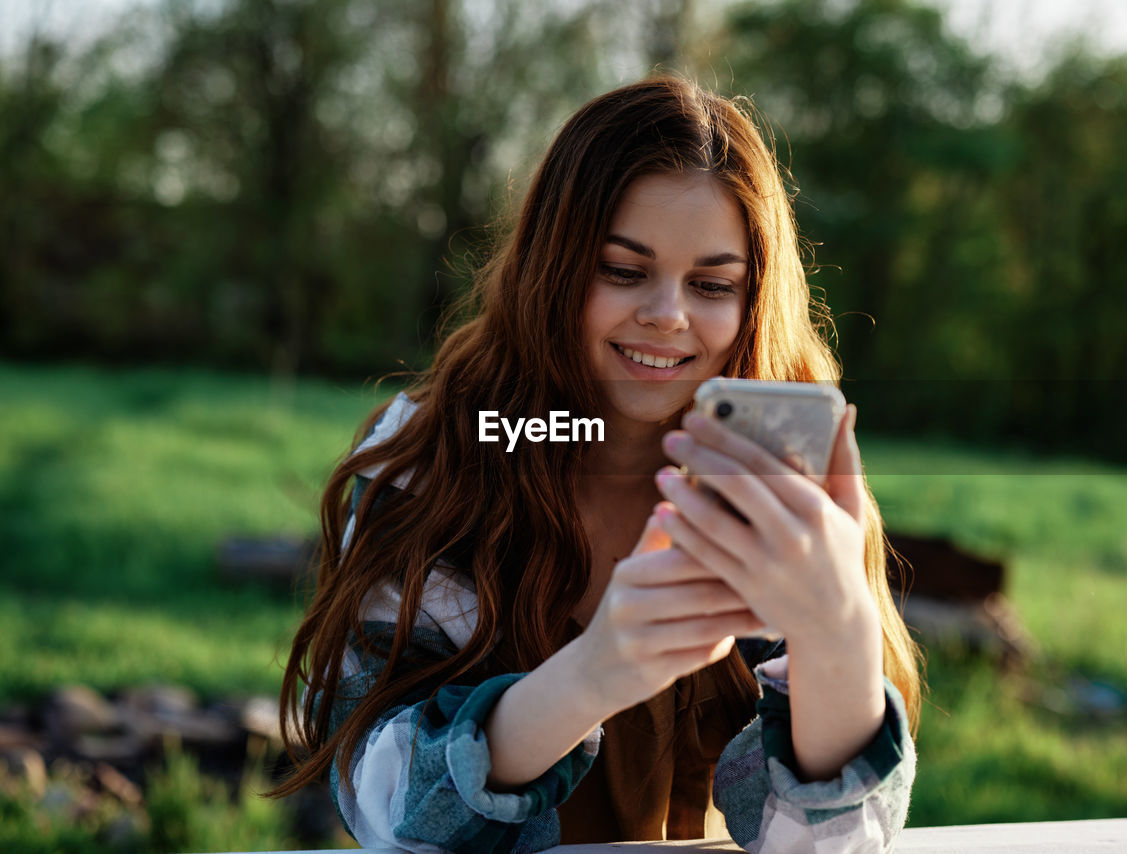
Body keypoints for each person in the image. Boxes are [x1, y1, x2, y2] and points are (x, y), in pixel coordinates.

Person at [270, 74, 921, 853]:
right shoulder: (443, 461)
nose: (667, 315)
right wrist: (596, 671)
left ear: (754, 300)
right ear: (553, 267)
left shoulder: (775, 480)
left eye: (712, 284)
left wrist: (838, 632)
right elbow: (384, 810)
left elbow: (824, 845)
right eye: (622, 270)